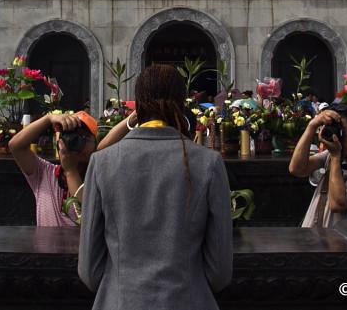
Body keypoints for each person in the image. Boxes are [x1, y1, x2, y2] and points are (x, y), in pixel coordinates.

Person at [78, 64, 233, 309]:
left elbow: (89, 270)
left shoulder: (102, 163)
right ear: (182, 103)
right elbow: (220, 272)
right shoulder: (209, 163)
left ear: (137, 105)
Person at [9, 110, 134, 227]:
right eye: (70, 136)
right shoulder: (45, 173)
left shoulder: (97, 178)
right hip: (45, 250)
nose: (76, 142)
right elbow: (15, 146)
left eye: (83, 137)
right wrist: (49, 118)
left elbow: (90, 214)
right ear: (60, 142)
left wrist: (71, 170)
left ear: (95, 144)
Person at [289, 103, 347, 228]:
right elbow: (297, 169)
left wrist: (335, 156)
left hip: (338, 244)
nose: (338, 136)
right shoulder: (330, 154)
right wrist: (312, 126)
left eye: (342, 130)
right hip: (313, 239)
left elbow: (337, 204)